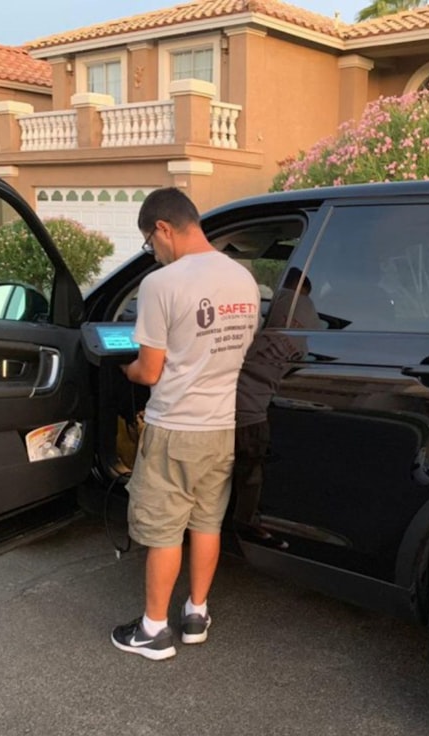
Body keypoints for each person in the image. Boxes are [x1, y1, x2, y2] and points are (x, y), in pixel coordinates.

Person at [113, 187, 260, 661]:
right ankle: (196, 613)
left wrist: (124, 368)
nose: (153, 255)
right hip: (221, 427)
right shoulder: (244, 279)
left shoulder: (162, 285)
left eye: (149, 245)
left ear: (162, 228)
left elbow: (150, 371)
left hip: (174, 427)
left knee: (163, 530)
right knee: (207, 523)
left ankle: (154, 630)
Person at [231, 268, 320, 546]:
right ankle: (247, 524)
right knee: (250, 474)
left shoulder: (280, 305)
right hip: (256, 416)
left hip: (233, 412)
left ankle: (228, 526)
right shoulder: (309, 328)